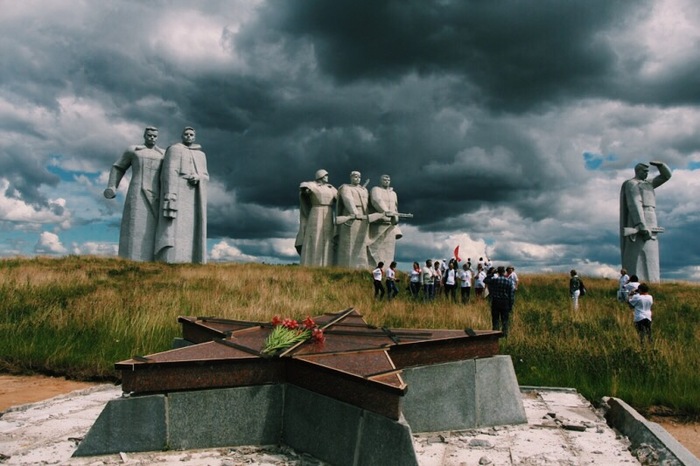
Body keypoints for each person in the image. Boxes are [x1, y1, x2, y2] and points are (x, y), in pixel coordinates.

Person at [104, 126, 165, 261]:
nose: (152, 138)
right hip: (137, 191)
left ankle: (155, 260)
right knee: (134, 224)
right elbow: (118, 167)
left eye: (154, 136)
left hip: (157, 193)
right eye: (149, 135)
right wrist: (112, 186)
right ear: (144, 136)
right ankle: (130, 260)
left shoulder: (163, 154)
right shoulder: (133, 150)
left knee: (155, 226)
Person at [154, 127, 208, 264]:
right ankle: (169, 259)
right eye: (186, 134)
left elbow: (205, 175)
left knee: (192, 227)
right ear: (182, 136)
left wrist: (199, 177)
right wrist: (170, 193)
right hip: (177, 190)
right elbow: (168, 172)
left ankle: (191, 259)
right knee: (172, 225)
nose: (189, 136)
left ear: (194, 137)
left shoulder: (201, 155)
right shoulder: (174, 149)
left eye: (191, 134)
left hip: (193, 194)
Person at [620, 161, 672, 283]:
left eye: (648, 172)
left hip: (651, 217)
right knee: (638, 251)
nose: (647, 174)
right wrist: (640, 224)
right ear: (638, 171)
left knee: (652, 251)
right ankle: (638, 280)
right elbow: (634, 203)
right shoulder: (632, 184)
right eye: (644, 171)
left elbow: (666, 176)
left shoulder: (649, 184)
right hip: (639, 218)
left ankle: (653, 281)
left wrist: (661, 166)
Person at [295, 169, 338, 267]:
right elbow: (303, 186)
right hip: (316, 212)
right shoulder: (313, 185)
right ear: (320, 176)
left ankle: (327, 263)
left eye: (327, 175)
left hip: (328, 213)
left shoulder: (330, 188)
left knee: (328, 237)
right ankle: (312, 262)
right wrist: (306, 190)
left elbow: (339, 198)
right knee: (315, 236)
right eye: (325, 175)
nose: (327, 177)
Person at [336, 171, 371, 268]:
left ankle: (361, 266)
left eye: (359, 177)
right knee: (349, 242)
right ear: (351, 177)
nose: (357, 178)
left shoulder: (364, 190)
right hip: (351, 214)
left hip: (363, 216)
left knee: (362, 243)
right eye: (355, 176)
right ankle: (346, 267)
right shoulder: (345, 187)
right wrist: (355, 212)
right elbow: (348, 200)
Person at [368, 175, 403, 265]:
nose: (387, 181)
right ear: (381, 181)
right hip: (379, 224)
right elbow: (376, 200)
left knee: (389, 251)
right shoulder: (376, 189)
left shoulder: (393, 193)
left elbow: (395, 207)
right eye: (384, 179)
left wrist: (395, 218)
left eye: (388, 180)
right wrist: (386, 211)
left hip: (391, 224)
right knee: (375, 248)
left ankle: (387, 268)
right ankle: (374, 267)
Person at [484, 266, 515, 337]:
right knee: (505, 320)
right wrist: (511, 305)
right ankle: (505, 334)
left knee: (495, 319)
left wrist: (491, 274)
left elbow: (485, 280)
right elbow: (511, 295)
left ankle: (495, 334)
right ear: (504, 272)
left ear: (498, 272)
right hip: (505, 302)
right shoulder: (509, 281)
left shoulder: (495, 280)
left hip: (496, 301)